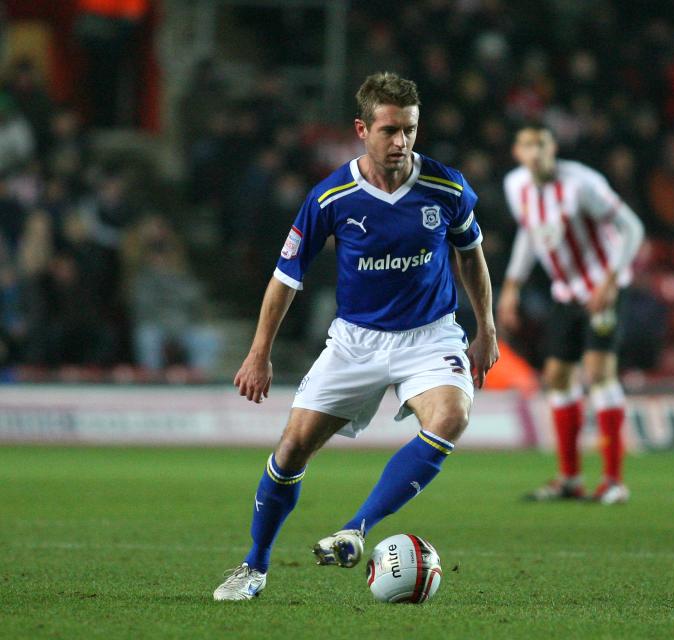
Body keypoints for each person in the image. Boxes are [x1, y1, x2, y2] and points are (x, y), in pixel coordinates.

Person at [214, 72, 499, 600]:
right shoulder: (331, 197)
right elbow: (285, 278)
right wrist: (259, 352)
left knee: (452, 416)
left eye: (410, 130)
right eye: (390, 130)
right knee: (291, 450)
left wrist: (486, 328)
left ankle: (356, 529)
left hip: (431, 335)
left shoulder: (447, 187)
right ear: (361, 129)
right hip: (356, 342)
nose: (402, 142)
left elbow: (471, 254)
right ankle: (253, 566)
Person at [497, 124, 644, 505]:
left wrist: (611, 281)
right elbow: (530, 234)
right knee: (557, 377)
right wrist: (512, 285)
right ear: (517, 152)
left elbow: (631, 227)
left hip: (602, 289)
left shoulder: (582, 184)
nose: (536, 152)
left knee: (598, 372)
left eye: (542, 144)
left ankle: (613, 480)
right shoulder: (516, 186)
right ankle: (569, 479)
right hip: (565, 293)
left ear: (553, 148)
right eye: (527, 144)